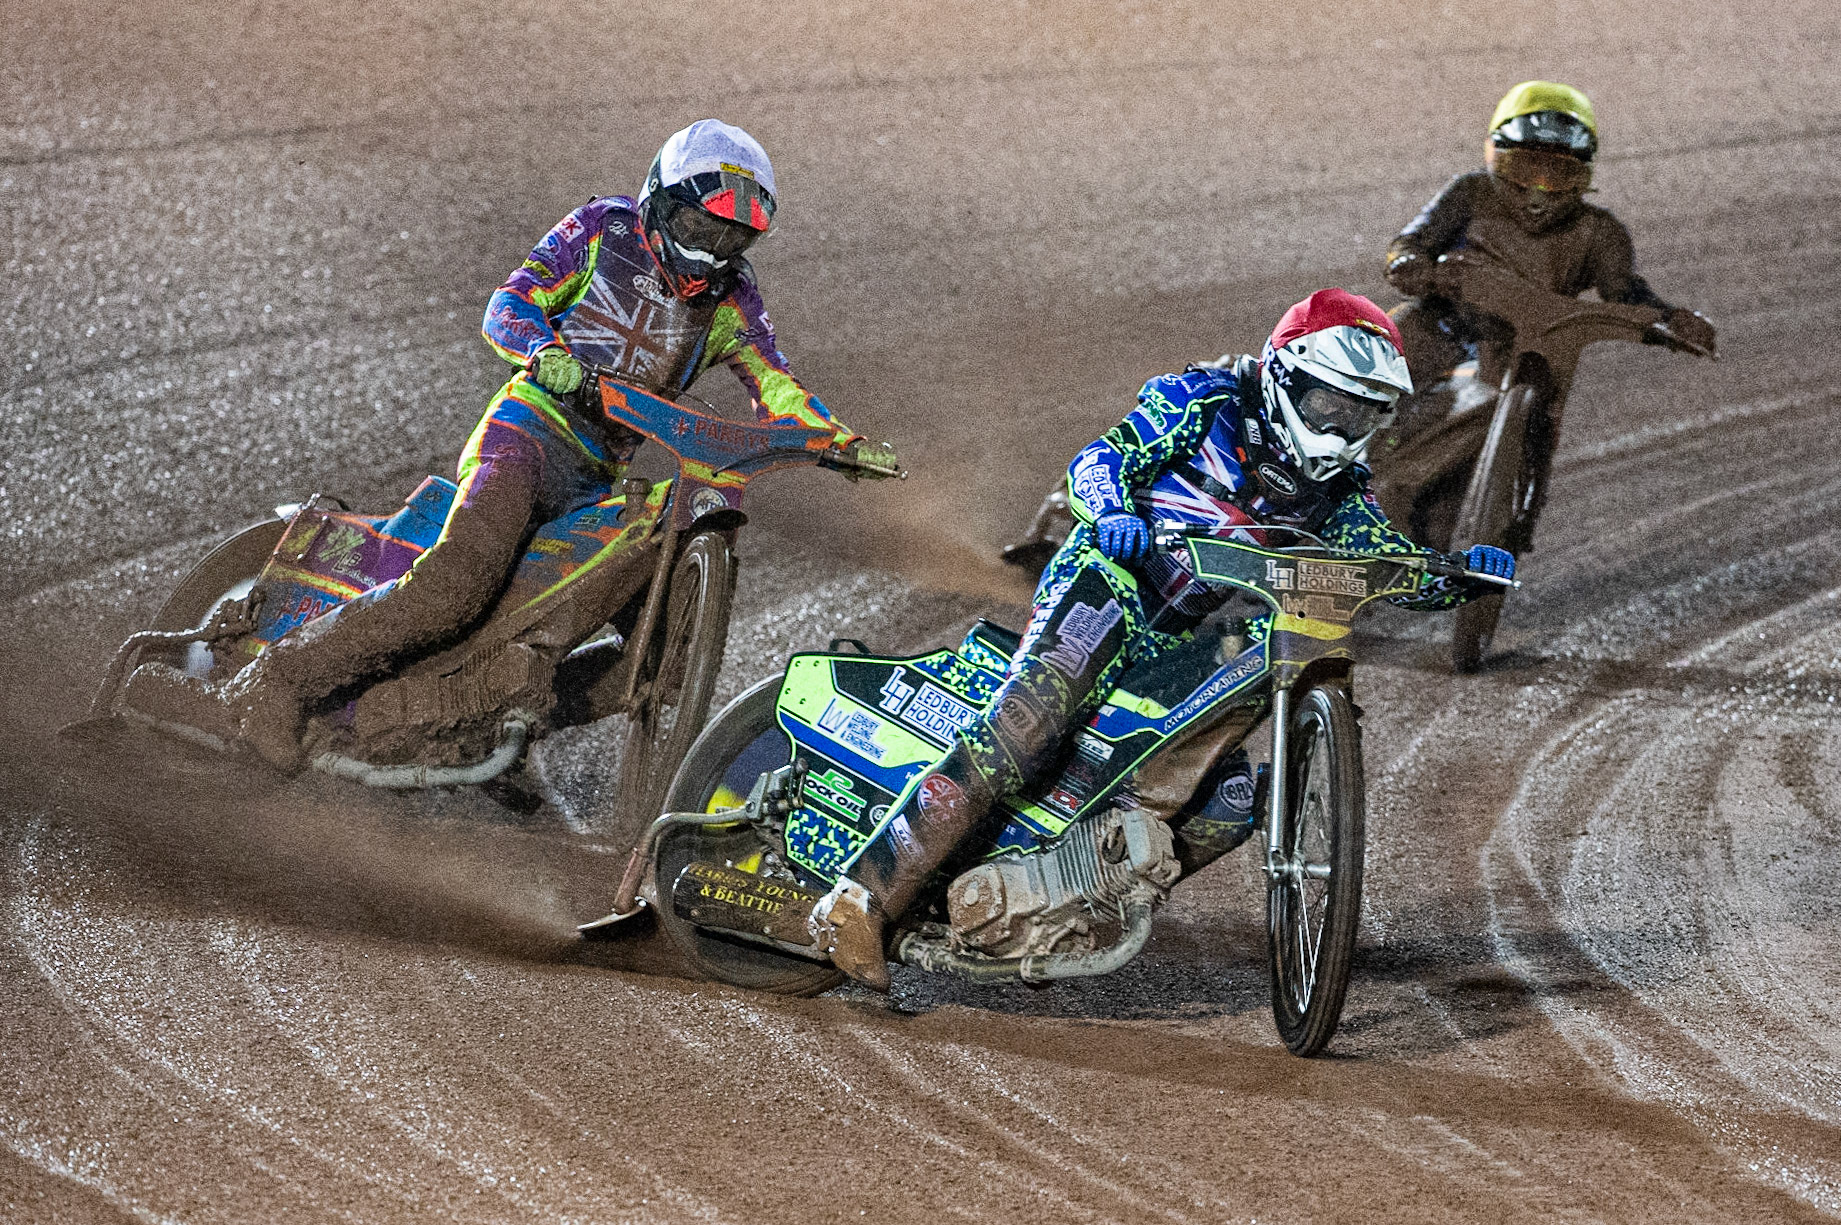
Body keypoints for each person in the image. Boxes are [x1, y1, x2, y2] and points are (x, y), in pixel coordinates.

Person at [807, 289, 1515, 990]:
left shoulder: (1338, 490)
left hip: (1182, 631)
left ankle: (1078, 897)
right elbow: (1100, 459)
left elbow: (1380, 560)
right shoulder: (1203, 399)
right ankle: (859, 897)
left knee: (1229, 798)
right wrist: (1112, 510)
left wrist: (1455, 576)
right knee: (1029, 723)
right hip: (1107, 583)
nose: (1340, 426)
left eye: (1361, 413)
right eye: (1329, 403)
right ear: (1283, 374)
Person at [219, 119, 868, 770]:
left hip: (596, 480)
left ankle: (482, 722)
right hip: (526, 432)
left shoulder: (735, 297)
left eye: (733, 237)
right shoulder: (601, 229)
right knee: (457, 584)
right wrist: (543, 351)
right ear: (659, 201)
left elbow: (775, 382)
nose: (711, 252)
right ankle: (277, 679)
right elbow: (508, 305)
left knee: (658, 661)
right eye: (700, 228)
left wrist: (833, 438)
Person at [1383, 80, 1716, 424]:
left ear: (1582, 176)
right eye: (1524, 168)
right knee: (1387, 350)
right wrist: (1409, 263)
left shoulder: (1601, 232)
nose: (1537, 195)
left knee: (1544, 398)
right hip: (1445, 324)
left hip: (1530, 346)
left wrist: (1670, 320)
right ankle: (1335, 450)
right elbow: (1413, 241)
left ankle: (1518, 464)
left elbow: (1626, 291)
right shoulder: (1469, 192)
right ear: (1495, 157)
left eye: (1559, 173)